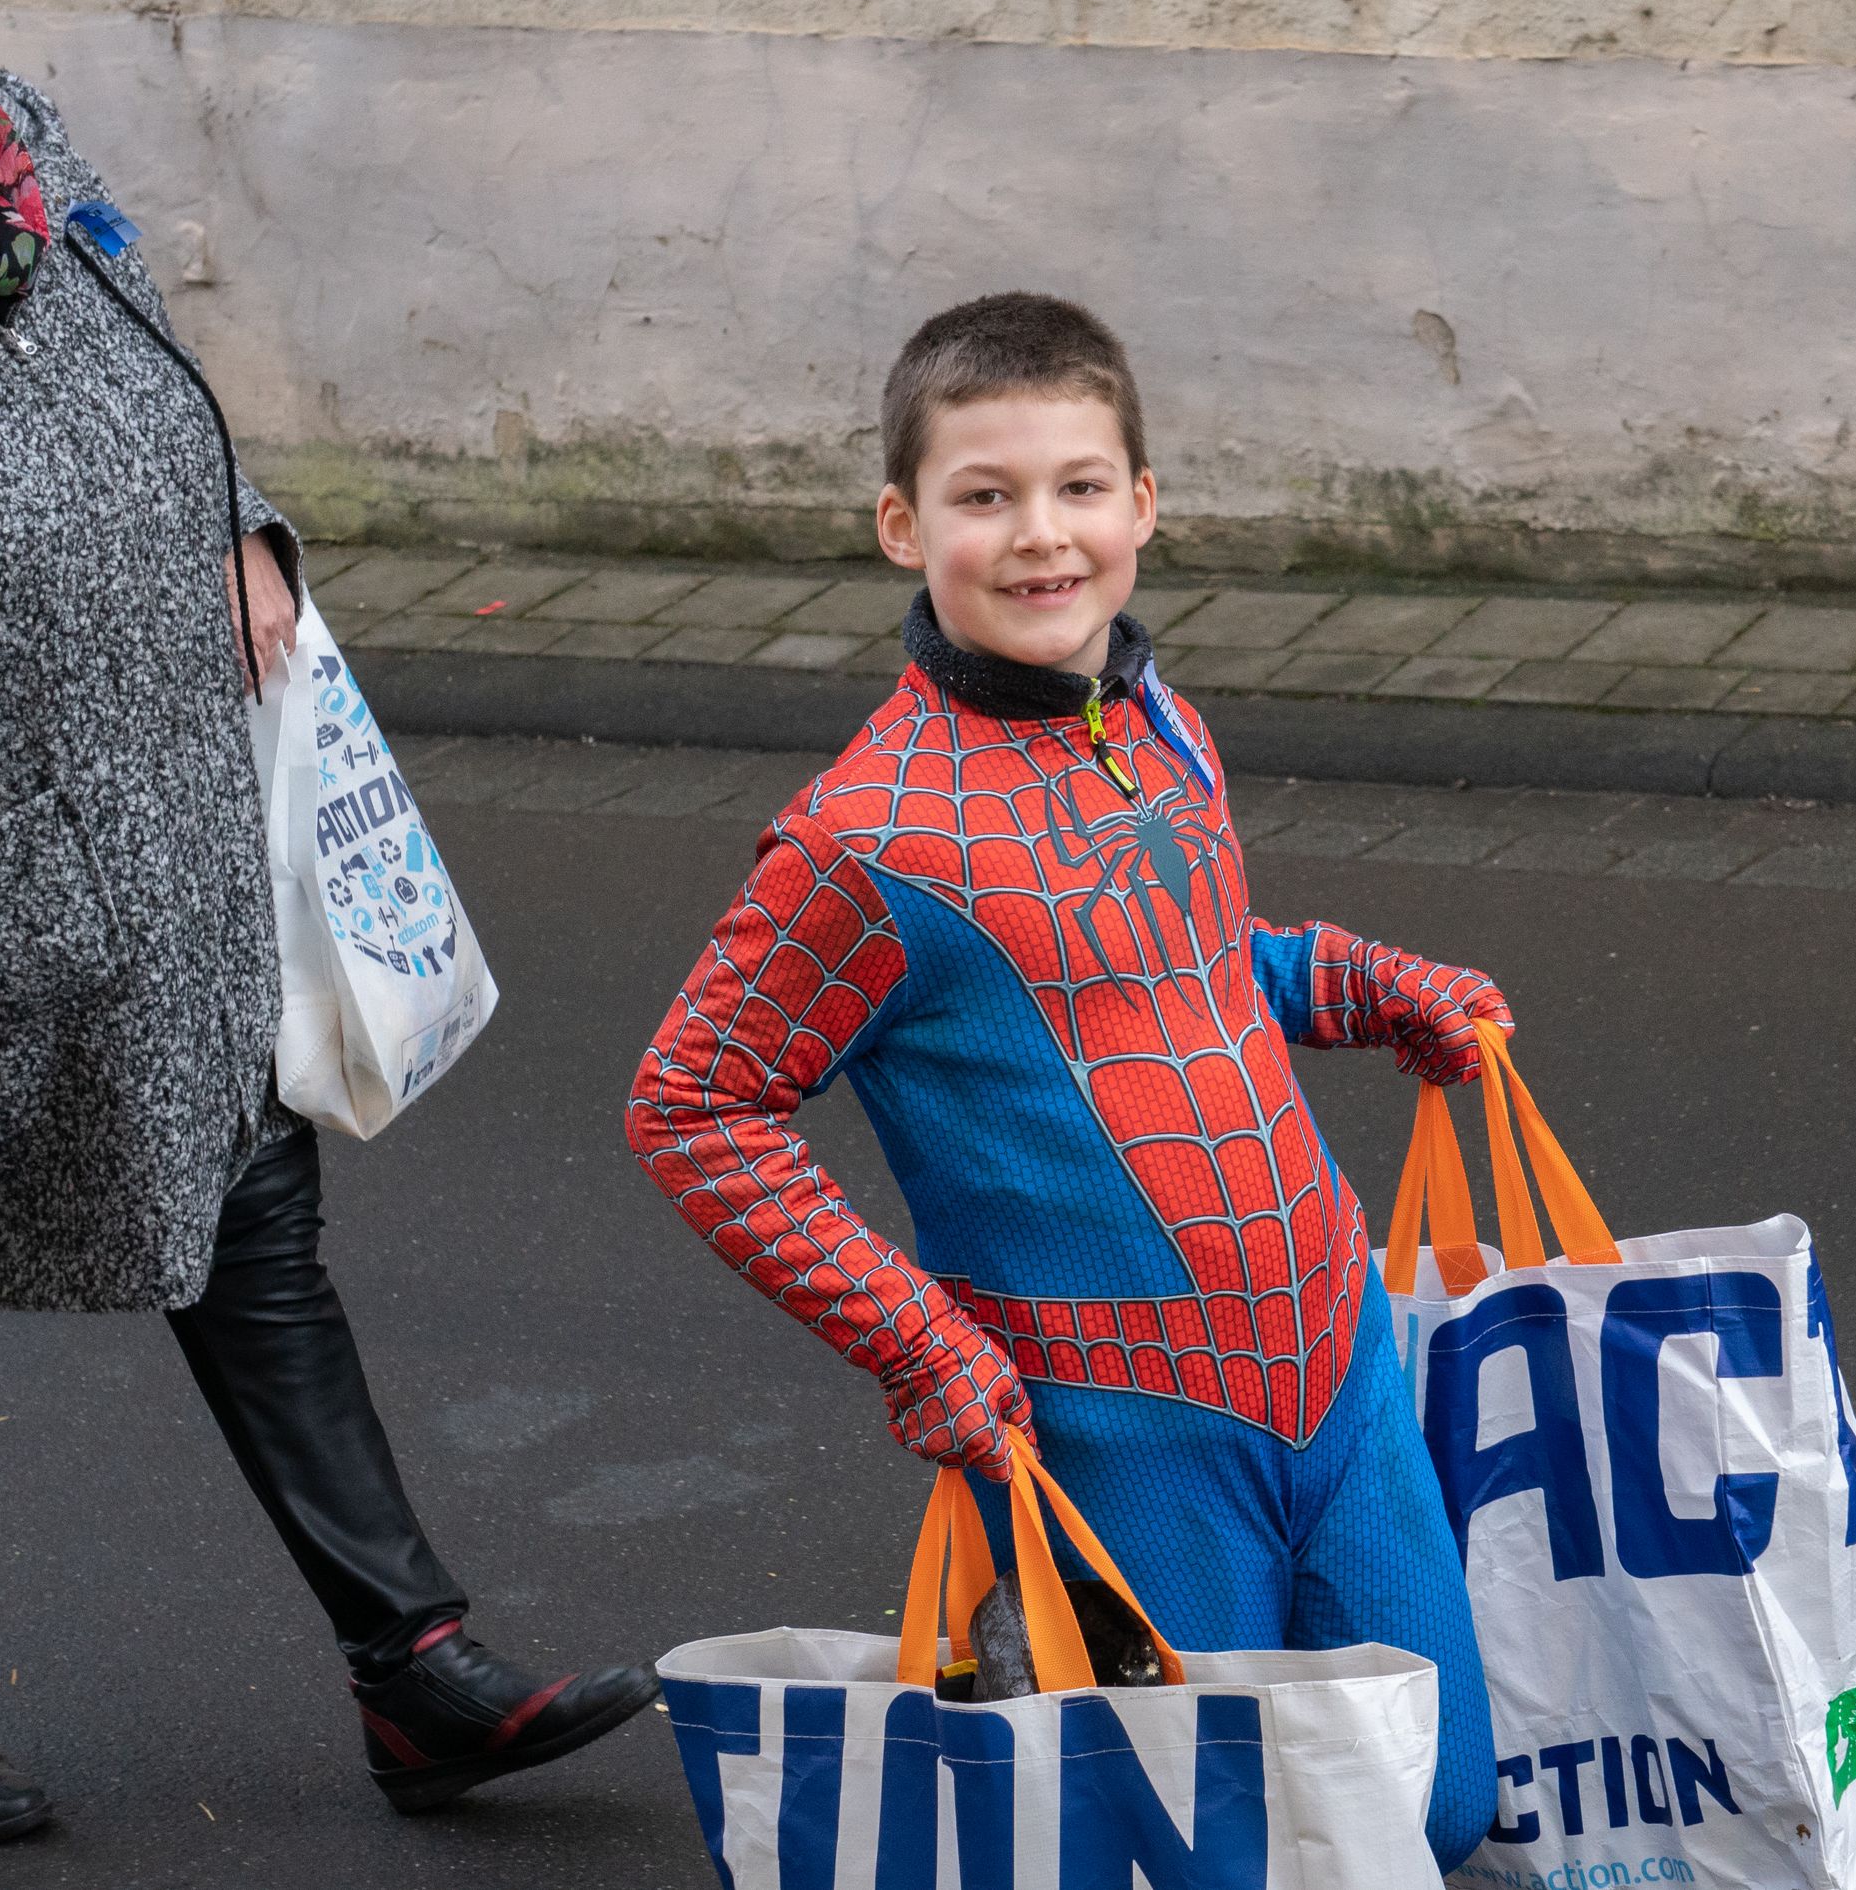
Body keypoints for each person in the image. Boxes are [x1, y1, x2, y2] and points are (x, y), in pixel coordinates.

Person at [0, 0, 652, 1848]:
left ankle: (414, 1659)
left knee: (255, 1220)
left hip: (164, 851)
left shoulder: (25, 178)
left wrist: (239, 517)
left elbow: (146, 385)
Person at [628, 292, 1507, 1871]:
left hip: (1338, 1362)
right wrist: (918, 1342)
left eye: (1080, 488)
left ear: (1145, 505)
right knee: (1204, 1848)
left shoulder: (1157, 718)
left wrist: (1362, 981)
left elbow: (1186, 972)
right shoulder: (860, 840)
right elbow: (693, 1104)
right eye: (986, 496)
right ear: (904, 524)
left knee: (1432, 1794)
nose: (1042, 538)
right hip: (1114, 1428)